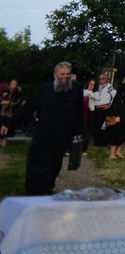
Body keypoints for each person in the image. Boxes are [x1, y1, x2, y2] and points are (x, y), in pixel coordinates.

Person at [24, 62, 83, 195]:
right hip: (44, 135)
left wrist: (79, 131)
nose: (65, 77)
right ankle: (33, 192)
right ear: (55, 75)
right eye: (62, 74)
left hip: (63, 136)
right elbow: (28, 108)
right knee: (37, 166)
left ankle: (47, 189)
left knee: (55, 165)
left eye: (68, 74)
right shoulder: (44, 89)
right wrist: (9, 125)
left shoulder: (77, 89)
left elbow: (80, 112)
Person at [103, 76, 125, 159]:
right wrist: (116, 116)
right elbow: (114, 105)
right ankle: (112, 154)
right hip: (118, 119)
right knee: (115, 137)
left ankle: (118, 151)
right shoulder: (121, 94)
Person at [0, 77, 25, 147]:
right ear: (10, 84)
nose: (13, 85)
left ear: (17, 85)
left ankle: (4, 141)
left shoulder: (18, 93)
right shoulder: (6, 91)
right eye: (12, 83)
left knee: (7, 127)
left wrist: (8, 102)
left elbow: (17, 102)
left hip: (11, 113)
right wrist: (2, 100)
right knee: (1, 127)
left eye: (14, 84)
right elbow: (1, 99)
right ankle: (1, 140)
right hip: (3, 112)